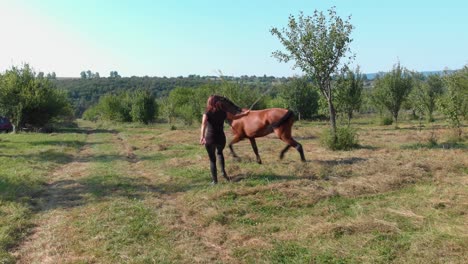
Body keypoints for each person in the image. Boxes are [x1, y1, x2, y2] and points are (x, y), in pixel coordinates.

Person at [200, 95, 249, 184]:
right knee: (220, 153)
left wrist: (202, 137)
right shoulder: (224, 112)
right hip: (221, 138)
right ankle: (223, 174)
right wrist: (245, 114)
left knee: (212, 160)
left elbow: (204, 124)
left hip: (210, 139)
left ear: (209, 102)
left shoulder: (207, 113)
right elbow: (235, 117)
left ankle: (215, 181)